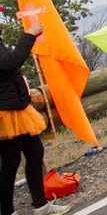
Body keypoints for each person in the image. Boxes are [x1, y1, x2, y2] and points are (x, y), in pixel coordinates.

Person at [0, 22, 71, 215]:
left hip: (16, 107)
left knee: (34, 153)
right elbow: (9, 62)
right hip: (6, 112)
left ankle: (41, 205)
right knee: (10, 162)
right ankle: (7, 211)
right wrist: (29, 35)